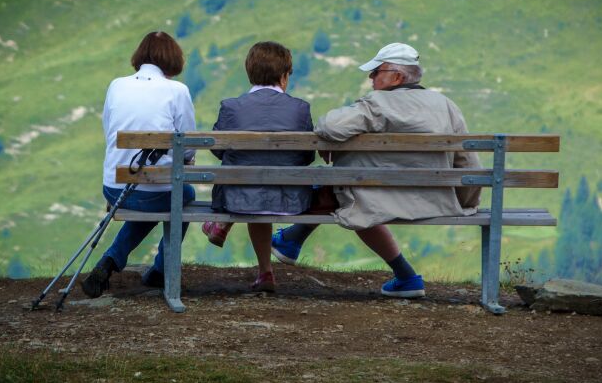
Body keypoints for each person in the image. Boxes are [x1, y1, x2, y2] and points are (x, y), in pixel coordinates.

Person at [270, 43, 482, 298]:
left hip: (374, 200)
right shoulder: (446, 105)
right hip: (435, 201)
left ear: (397, 77)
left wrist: (333, 144)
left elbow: (329, 126)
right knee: (350, 188)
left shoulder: (378, 103)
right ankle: (405, 277)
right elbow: (469, 163)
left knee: (346, 189)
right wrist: (464, 204)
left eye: (376, 72)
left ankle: (292, 238)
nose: (370, 77)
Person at [82, 31, 196, 298]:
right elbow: (189, 145)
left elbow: (109, 131)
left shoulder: (116, 85)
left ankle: (110, 262)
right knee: (183, 195)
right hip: (152, 190)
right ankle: (159, 270)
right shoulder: (177, 91)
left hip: (114, 186)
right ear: (172, 58)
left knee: (155, 194)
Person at [200, 41, 314, 292]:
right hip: (291, 199)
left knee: (254, 185)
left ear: (249, 73)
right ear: (284, 77)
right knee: (264, 186)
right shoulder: (300, 109)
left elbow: (218, 150)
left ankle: (263, 270)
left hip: (237, 197)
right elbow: (307, 157)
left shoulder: (231, 107)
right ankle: (265, 273)